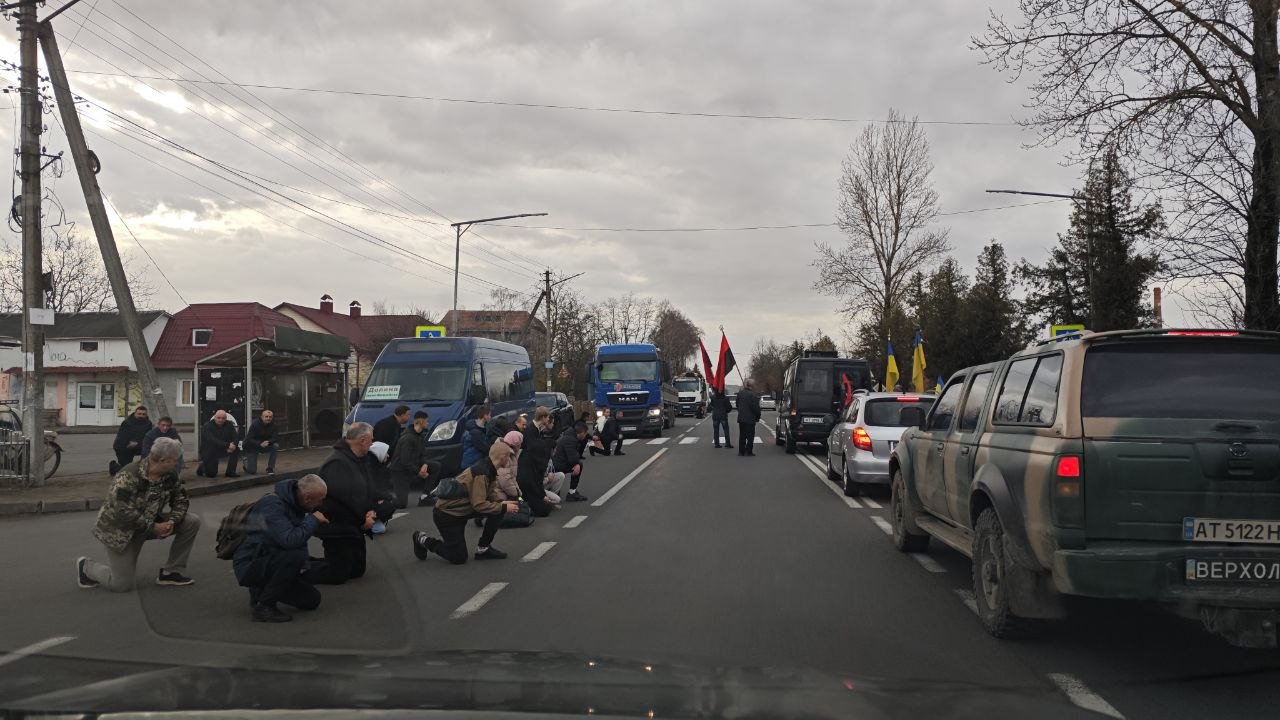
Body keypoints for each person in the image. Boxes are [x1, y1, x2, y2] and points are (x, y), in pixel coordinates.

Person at [76, 437, 201, 592]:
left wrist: (172, 522)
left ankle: (172, 572)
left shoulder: (170, 475)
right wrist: (154, 527)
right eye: (176, 460)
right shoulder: (129, 475)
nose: (178, 462)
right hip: (120, 531)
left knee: (192, 521)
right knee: (122, 585)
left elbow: (181, 499)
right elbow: (121, 511)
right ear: (163, 460)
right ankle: (86, 567)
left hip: (147, 525)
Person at [233, 474, 328, 623]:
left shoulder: (296, 504)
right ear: (308, 497)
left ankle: (261, 591)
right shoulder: (271, 505)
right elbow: (289, 540)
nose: (321, 504)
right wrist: (313, 520)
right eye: (320, 499)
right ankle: (263, 606)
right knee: (294, 555)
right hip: (251, 563)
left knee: (312, 600)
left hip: (272, 560)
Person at [412, 442, 522, 564]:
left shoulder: (489, 469)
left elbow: (492, 494)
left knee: (499, 509)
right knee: (458, 557)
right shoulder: (482, 473)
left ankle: (483, 549)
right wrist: (503, 506)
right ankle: (423, 539)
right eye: (509, 456)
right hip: (447, 514)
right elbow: (479, 504)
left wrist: (503, 503)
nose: (510, 459)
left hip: (461, 510)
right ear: (503, 457)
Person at [309, 423, 376, 585]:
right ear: (362, 440)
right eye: (371, 440)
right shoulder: (337, 463)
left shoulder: (360, 460)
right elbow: (343, 499)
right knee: (337, 575)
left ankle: (315, 563)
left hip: (353, 524)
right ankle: (295, 572)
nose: (372, 443)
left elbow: (367, 489)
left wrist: (371, 510)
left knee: (357, 570)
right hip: (336, 526)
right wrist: (363, 520)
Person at [390, 411, 438, 508]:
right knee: (401, 504)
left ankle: (425, 497)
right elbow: (405, 461)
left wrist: (424, 464)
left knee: (436, 466)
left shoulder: (420, 436)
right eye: (427, 421)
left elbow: (423, 454)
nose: (428, 423)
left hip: (413, 467)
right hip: (400, 472)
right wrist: (419, 472)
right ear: (421, 422)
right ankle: (383, 499)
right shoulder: (407, 438)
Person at [516, 407, 557, 517]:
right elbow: (531, 448)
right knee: (544, 510)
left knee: (545, 506)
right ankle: (527, 507)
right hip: (527, 475)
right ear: (543, 417)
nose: (548, 419)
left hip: (530, 472)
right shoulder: (531, 430)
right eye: (547, 417)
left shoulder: (537, 430)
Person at [553, 421, 590, 502]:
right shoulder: (571, 440)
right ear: (581, 433)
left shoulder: (569, 435)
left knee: (577, 463)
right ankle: (572, 493)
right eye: (585, 433)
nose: (585, 436)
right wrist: (576, 464)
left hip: (556, 462)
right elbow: (572, 457)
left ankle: (558, 490)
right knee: (579, 464)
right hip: (557, 464)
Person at [198, 409, 241, 478]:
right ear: (214, 417)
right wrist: (227, 445)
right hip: (209, 451)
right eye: (218, 418)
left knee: (236, 450)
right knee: (211, 475)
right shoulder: (207, 426)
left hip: (223, 448)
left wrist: (234, 445)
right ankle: (202, 467)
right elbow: (212, 440)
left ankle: (230, 472)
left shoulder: (229, 424)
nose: (221, 420)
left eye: (223, 418)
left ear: (226, 418)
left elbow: (236, 437)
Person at [111, 406, 152, 475]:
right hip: (124, 447)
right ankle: (114, 466)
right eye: (139, 414)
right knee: (127, 471)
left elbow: (148, 438)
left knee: (151, 452)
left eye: (143, 414)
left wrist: (137, 444)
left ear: (146, 415)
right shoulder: (127, 423)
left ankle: (144, 469)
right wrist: (129, 444)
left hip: (138, 445)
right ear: (135, 414)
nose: (141, 416)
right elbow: (122, 438)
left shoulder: (148, 424)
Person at [367, 441, 395, 533]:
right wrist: (383, 497)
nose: (387, 455)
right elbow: (369, 489)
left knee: (390, 502)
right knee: (390, 504)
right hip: (366, 502)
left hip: (372, 499)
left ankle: (374, 521)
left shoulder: (379, 466)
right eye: (386, 453)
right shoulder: (369, 467)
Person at [242, 409, 280, 475]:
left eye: (270, 417)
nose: (268, 418)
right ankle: (246, 460)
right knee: (252, 471)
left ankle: (270, 468)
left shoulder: (274, 425)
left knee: (275, 446)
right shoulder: (255, 424)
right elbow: (249, 439)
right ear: (262, 417)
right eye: (266, 416)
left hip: (265, 445)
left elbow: (275, 437)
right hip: (252, 447)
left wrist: (268, 442)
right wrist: (260, 443)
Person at [735, 381, 762, 457]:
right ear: (752, 386)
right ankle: (748, 451)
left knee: (742, 435)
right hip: (750, 419)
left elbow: (737, 404)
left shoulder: (740, 393)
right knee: (750, 436)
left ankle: (741, 452)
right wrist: (758, 416)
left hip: (741, 418)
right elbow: (756, 408)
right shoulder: (753, 395)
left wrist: (741, 411)